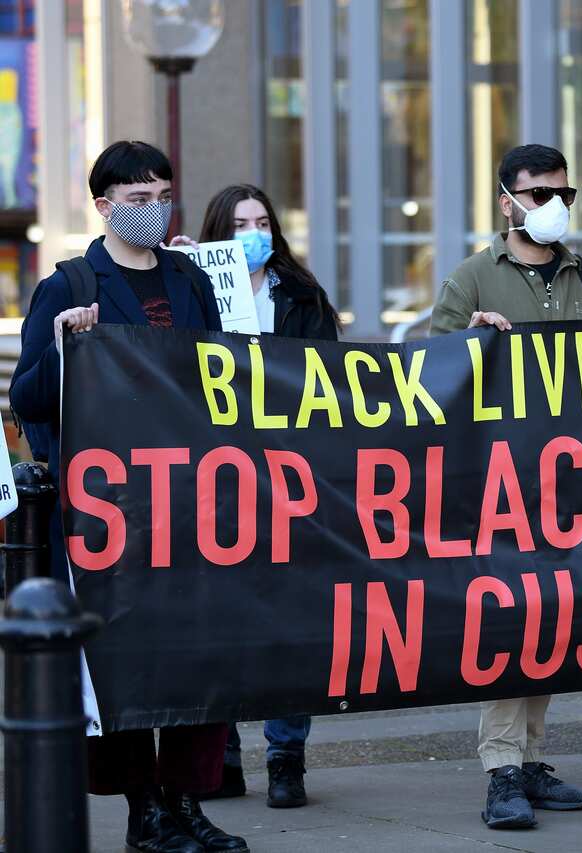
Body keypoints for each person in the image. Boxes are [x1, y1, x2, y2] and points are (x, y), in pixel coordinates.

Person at [10, 141, 248, 853]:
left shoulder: (187, 277)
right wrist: (62, 344)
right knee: (122, 663)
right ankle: (144, 809)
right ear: (105, 204)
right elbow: (28, 398)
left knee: (193, 657)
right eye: (138, 199)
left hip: (189, 503)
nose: (154, 209)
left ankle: (184, 801)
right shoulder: (70, 283)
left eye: (162, 195)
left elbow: (220, 369)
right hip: (111, 515)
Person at [429, 143, 582, 830]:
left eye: (564, 191)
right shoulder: (472, 278)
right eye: (538, 194)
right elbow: (429, 375)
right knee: (510, 616)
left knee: (553, 614)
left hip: (567, 481)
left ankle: (530, 760)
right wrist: (470, 342)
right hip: (500, 484)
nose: (553, 205)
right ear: (506, 200)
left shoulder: (581, 275)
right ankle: (500, 768)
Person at [191, 184, 340, 808]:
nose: (253, 232)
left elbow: (331, 381)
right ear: (218, 232)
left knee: (290, 615)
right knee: (219, 616)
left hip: (289, 476)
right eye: (239, 223)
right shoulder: (192, 292)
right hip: (216, 480)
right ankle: (219, 754)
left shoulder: (302, 297)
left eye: (262, 221)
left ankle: (286, 756)